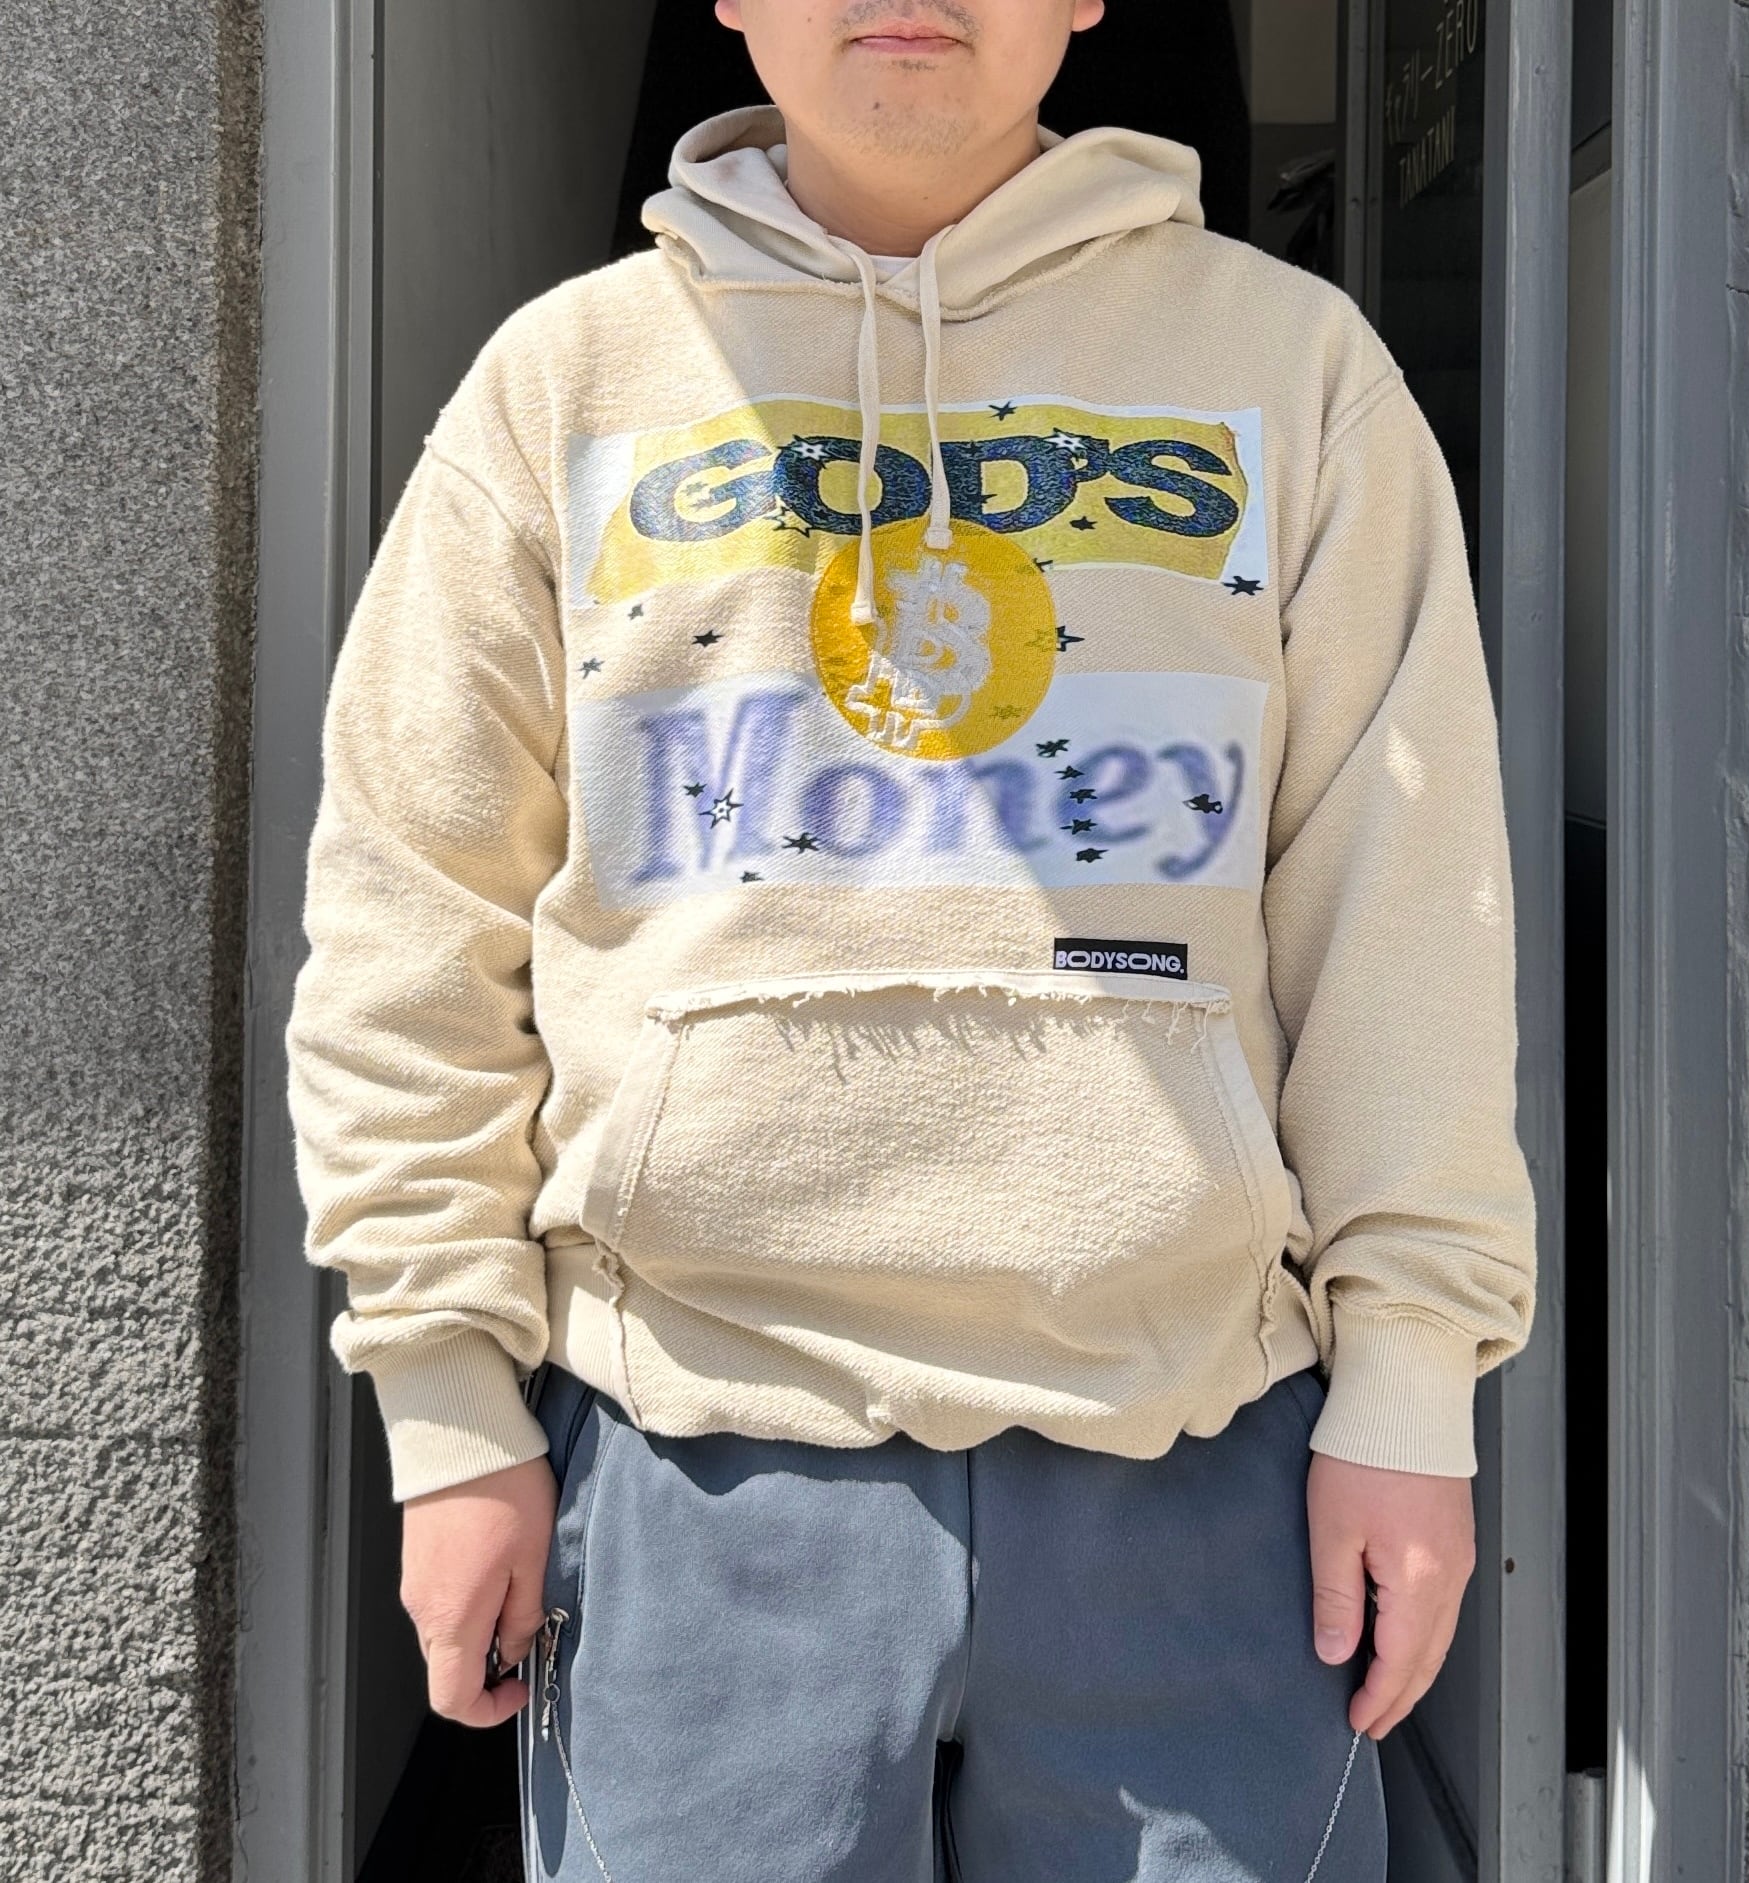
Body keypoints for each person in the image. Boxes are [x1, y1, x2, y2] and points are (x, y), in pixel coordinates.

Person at [284, 2, 1538, 1876]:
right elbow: (413, 913)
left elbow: (1403, 907)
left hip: (1196, 1443)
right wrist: (450, 1406)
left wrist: (1414, 1383)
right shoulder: (563, 386)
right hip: (692, 1444)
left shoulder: (1293, 370)